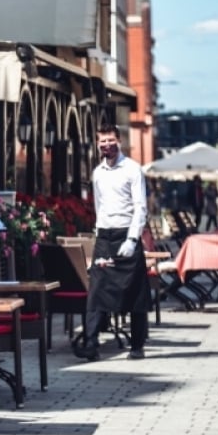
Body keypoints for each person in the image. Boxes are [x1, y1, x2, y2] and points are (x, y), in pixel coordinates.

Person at [74, 123, 153, 361]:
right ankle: (90, 343)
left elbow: (141, 206)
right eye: (102, 141)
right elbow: (98, 205)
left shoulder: (133, 169)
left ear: (119, 141)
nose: (106, 145)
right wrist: (99, 230)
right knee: (97, 290)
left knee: (135, 292)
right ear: (97, 144)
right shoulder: (97, 172)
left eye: (111, 140)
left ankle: (137, 345)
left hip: (126, 234)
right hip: (105, 237)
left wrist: (132, 238)